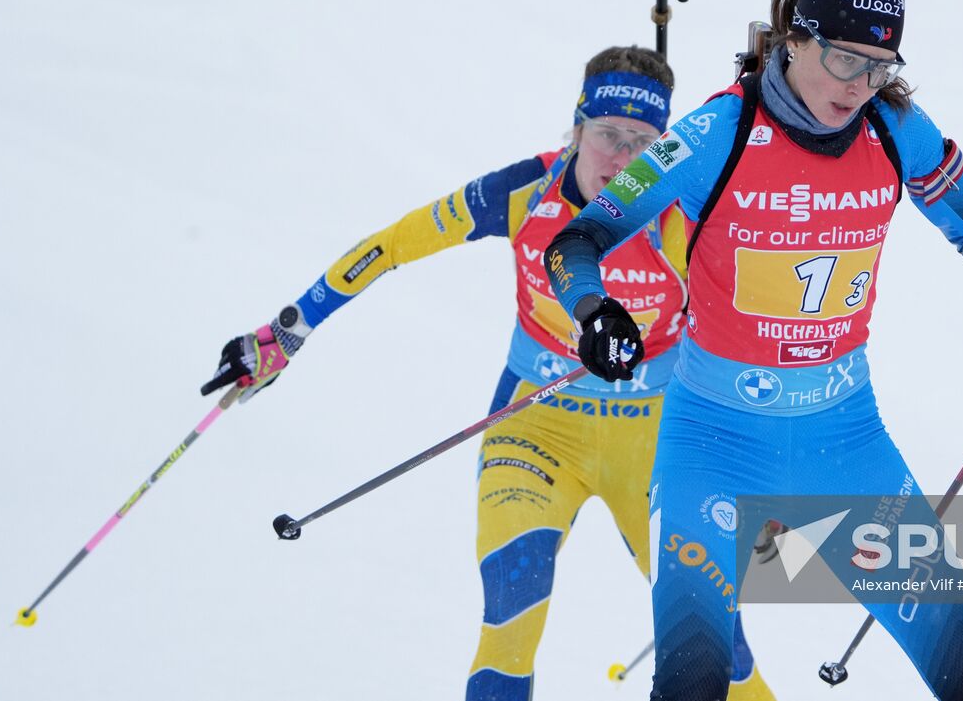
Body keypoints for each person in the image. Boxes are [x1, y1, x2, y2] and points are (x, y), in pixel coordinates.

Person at [544, 0, 963, 701]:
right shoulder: (716, 133)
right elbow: (578, 240)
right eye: (843, 57)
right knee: (694, 682)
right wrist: (595, 310)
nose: (859, 84)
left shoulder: (894, 130)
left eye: (880, 66)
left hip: (847, 443)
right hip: (714, 446)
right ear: (795, 38)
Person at [201, 46, 775, 701]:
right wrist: (288, 331)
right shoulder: (524, 193)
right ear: (577, 127)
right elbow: (391, 245)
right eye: (607, 134)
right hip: (533, 432)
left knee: (716, 636)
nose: (620, 157)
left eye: (641, 142)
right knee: (511, 606)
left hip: (654, 442)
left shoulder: (684, 213)